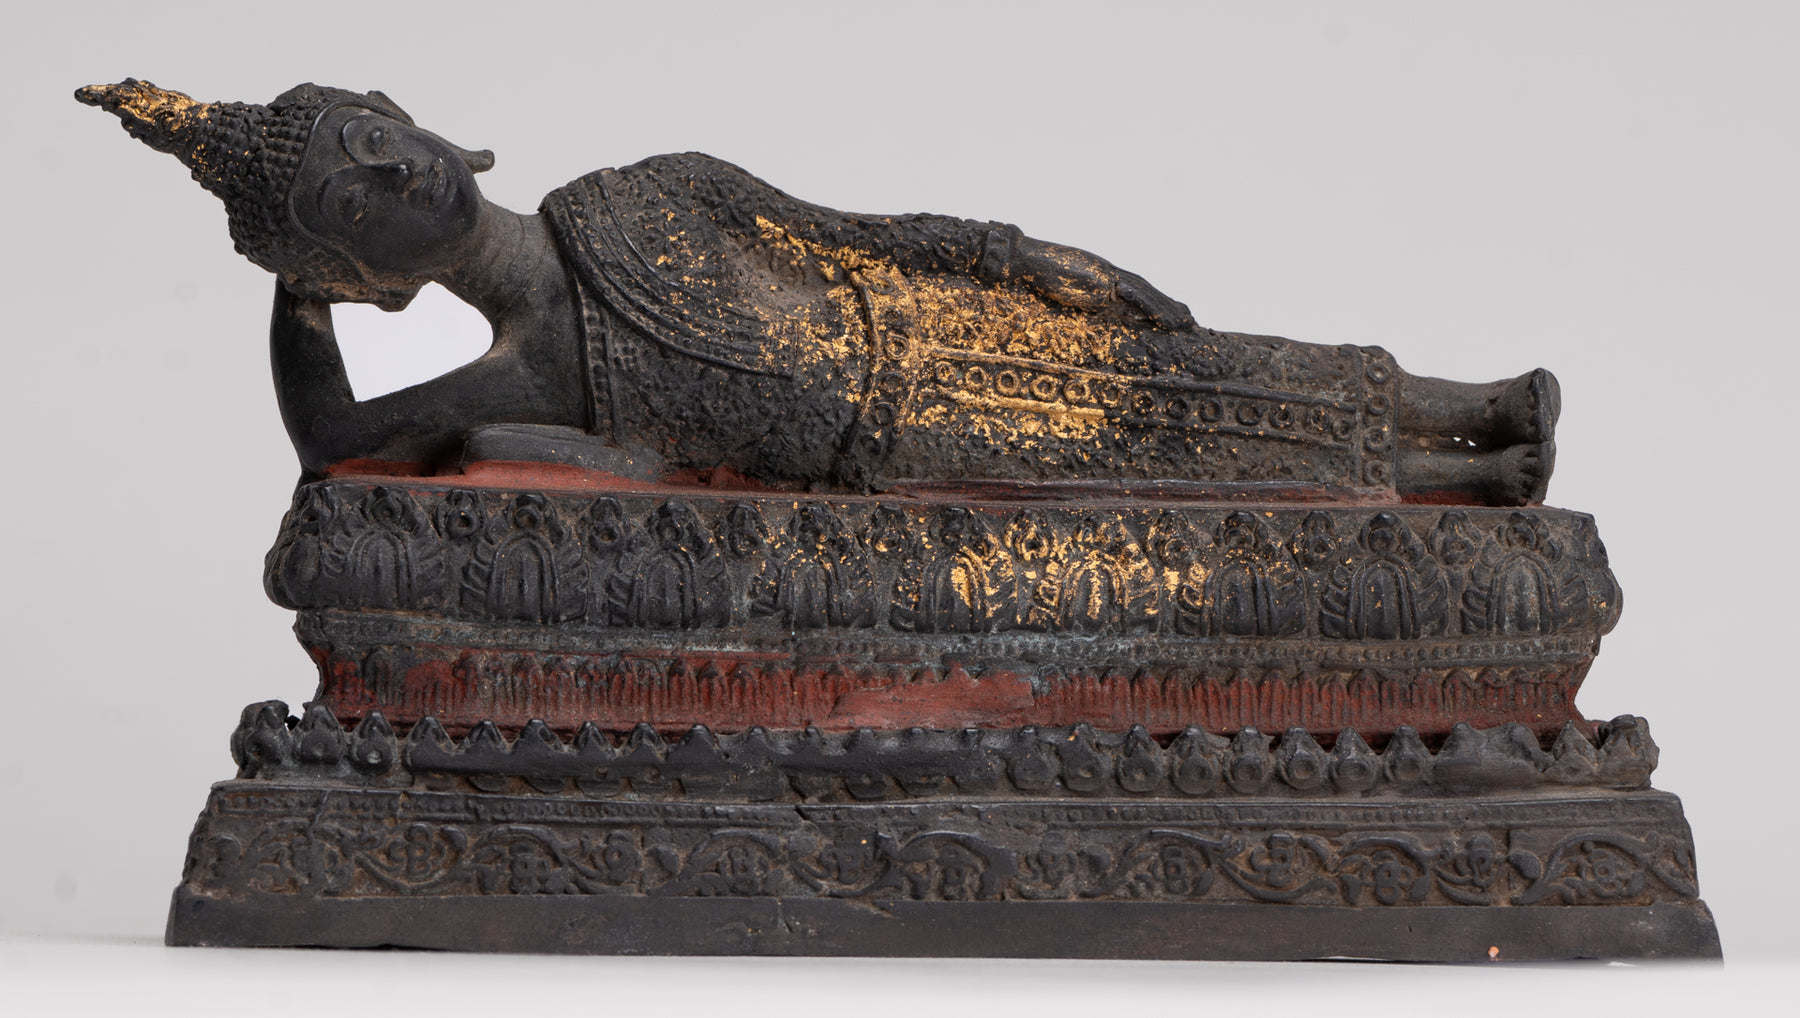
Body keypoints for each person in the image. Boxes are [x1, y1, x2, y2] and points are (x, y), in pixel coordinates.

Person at [77, 79, 1557, 505]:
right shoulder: (530, 375)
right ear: (372, 275)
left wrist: (1016, 255)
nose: (397, 177)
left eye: (372, 143)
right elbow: (338, 448)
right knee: (1174, 460)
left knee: (1194, 370)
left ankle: (1474, 406)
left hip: (926, 324)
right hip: (896, 439)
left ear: (417, 120)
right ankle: (1455, 484)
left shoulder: (641, 191)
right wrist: (300, 295)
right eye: (356, 208)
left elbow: (848, 232)